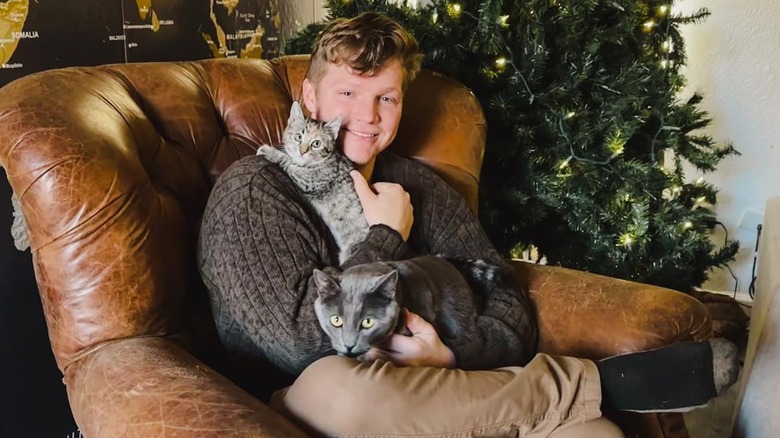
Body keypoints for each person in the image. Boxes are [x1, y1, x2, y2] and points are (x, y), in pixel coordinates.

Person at [197, 12, 739, 437]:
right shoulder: (256, 190)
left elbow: (506, 302)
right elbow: (297, 348)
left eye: (386, 97)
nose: (367, 117)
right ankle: (602, 386)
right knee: (334, 387)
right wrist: (384, 235)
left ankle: (580, 402)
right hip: (323, 404)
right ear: (310, 100)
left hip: (454, 393)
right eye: (347, 94)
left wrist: (453, 355)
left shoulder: (421, 186)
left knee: (589, 433)